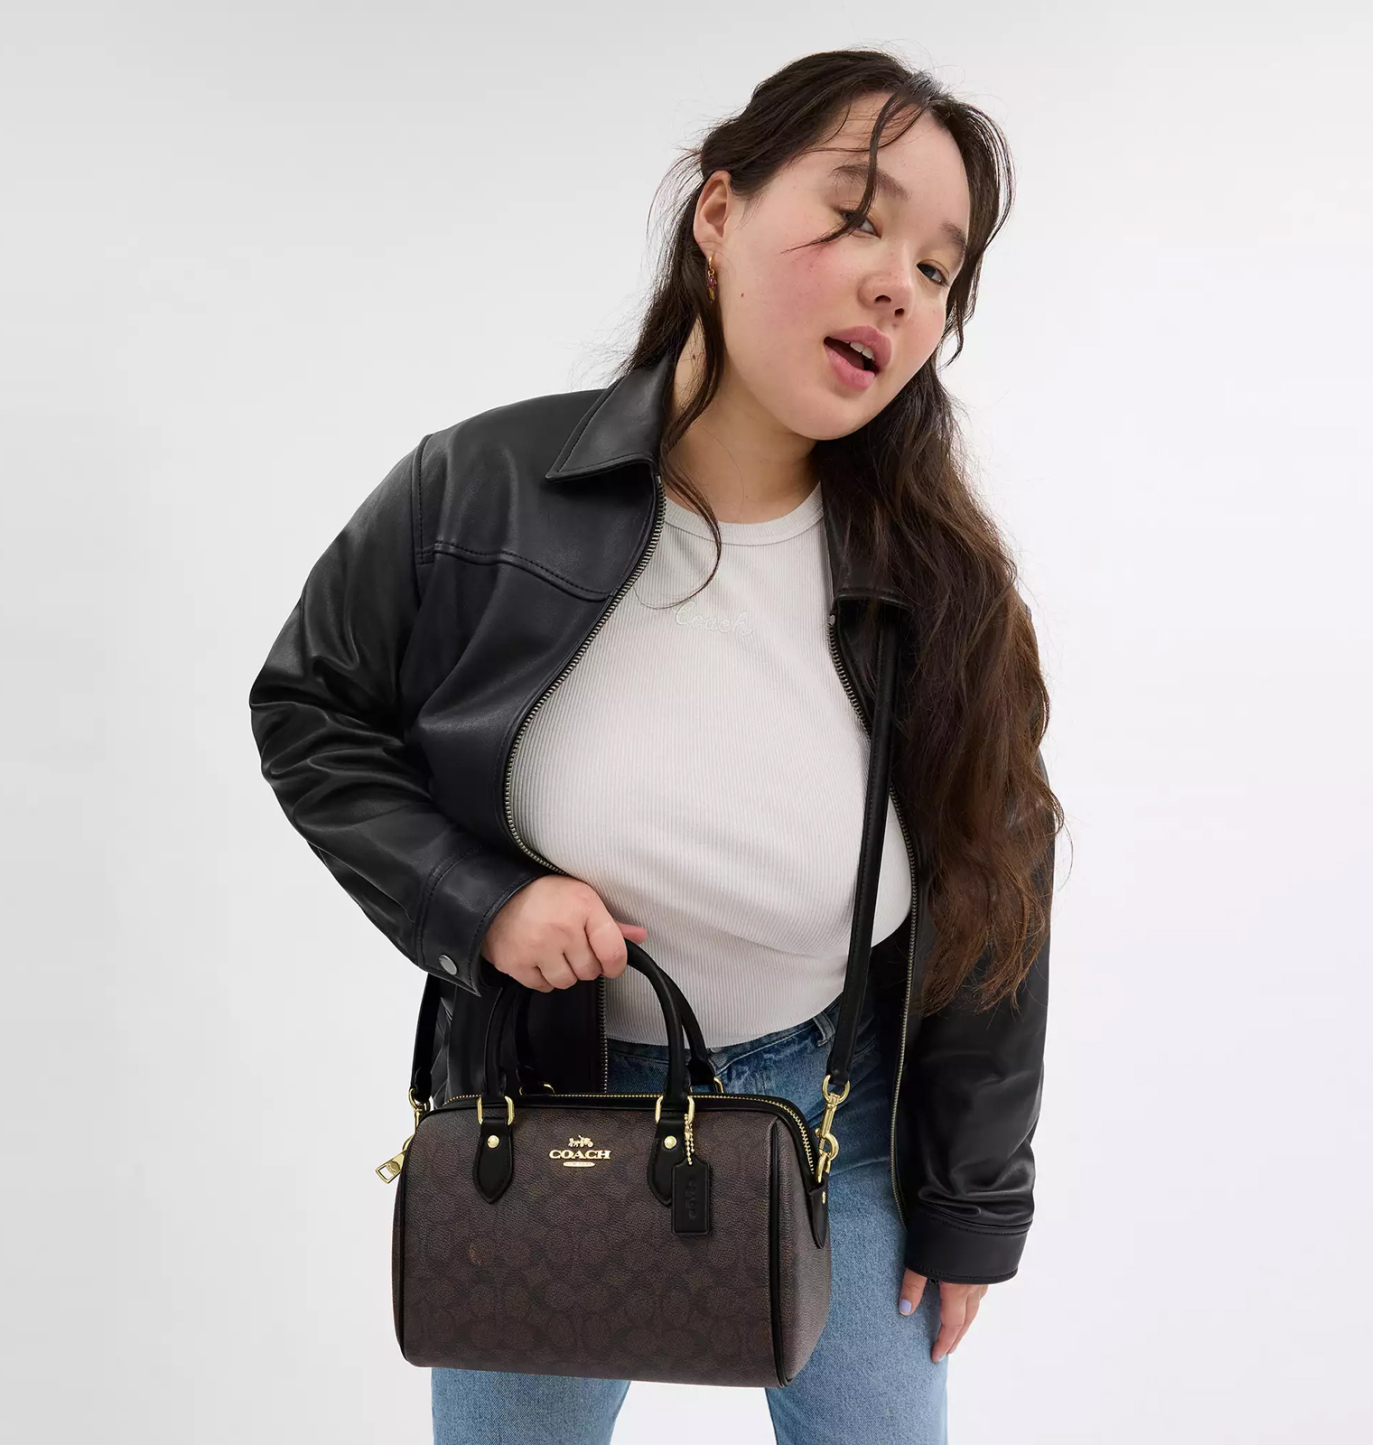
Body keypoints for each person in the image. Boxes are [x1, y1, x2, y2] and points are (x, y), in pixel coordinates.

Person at [249, 45, 1062, 1445]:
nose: (898, 285)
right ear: (718, 213)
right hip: (545, 1112)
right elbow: (308, 709)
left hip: (845, 1119)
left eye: (938, 268)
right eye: (857, 217)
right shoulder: (479, 487)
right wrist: (483, 904)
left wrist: (972, 1205)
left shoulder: (945, 582)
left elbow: (1002, 892)